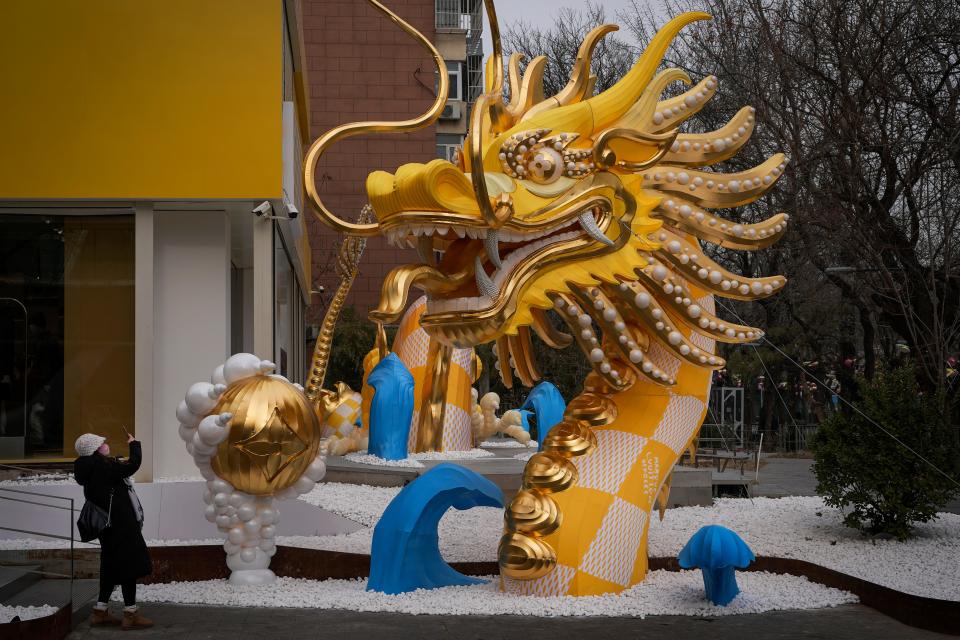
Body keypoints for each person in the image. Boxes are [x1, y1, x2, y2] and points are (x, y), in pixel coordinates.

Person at [74, 431, 153, 630]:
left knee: (110, 565)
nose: (105, 445)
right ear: (94, 450)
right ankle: (130, 613)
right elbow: (133, 465)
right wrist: (134, 444)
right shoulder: (104, 467)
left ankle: (100, 611)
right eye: (101, 444)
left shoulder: (87, 468)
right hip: (121, 524)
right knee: (129, 565)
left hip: (106, 526)